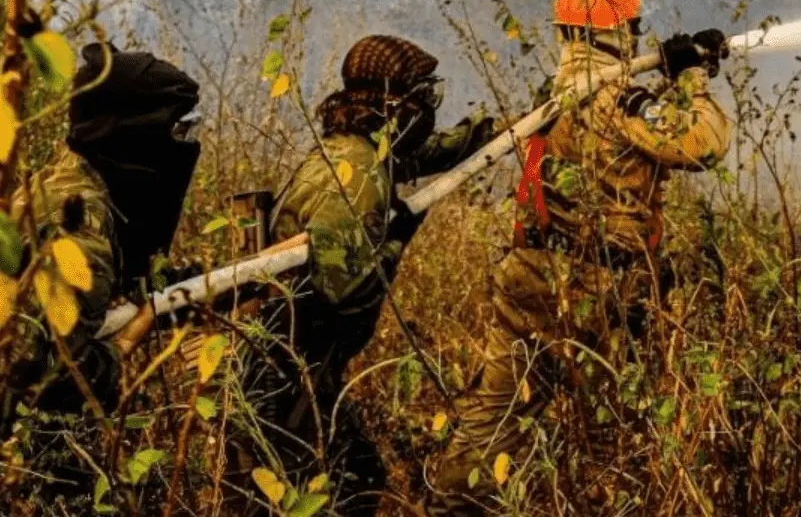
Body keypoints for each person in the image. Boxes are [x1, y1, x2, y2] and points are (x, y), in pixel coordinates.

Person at [427, 0, 731, 513]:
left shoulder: (556, 93)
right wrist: (693, 79)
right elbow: (699, 145)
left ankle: (454, 504)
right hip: (597, 293)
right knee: (615, 442)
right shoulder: (614, 100)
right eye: (634, 27)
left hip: (529, 281)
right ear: (622, 31)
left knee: (490, 424)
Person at [235, 34, 495, 516]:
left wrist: (505, 125)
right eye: (424, 98)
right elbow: (345, 287)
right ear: (393, 104)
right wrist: (397, 235)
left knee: (353, 475)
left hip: (299, 366)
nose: (428, 109)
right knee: (326, 490)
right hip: (288, 372)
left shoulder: (354, 149)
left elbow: (427, 154)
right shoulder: (356, 175)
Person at [0, 43, 201, 495]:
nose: (183, 145)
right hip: (26, 458)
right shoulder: (82, 219)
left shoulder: (61, 183)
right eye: (176, 130)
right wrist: (128, 341)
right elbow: (47, 373)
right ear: (135, 135)